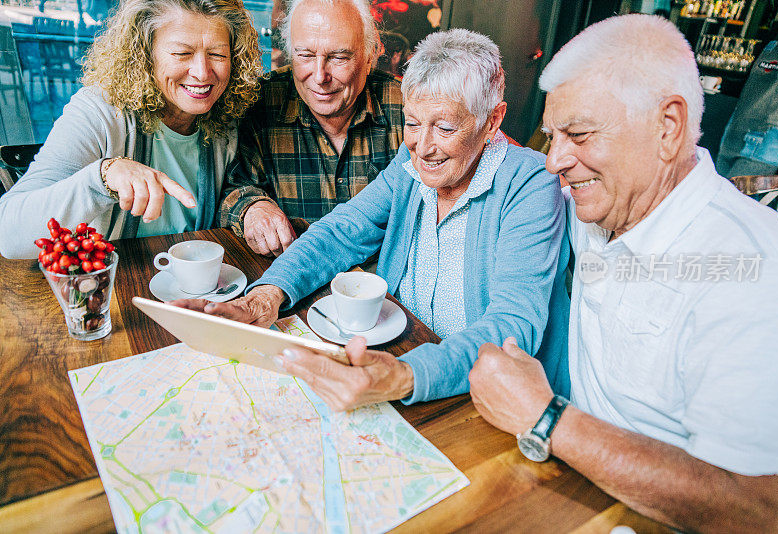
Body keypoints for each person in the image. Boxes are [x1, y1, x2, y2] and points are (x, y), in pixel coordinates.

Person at [469, 14, 778, 533]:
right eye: (553, 136)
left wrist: (546, 417)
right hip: (581, 498)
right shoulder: (604, 203)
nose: (554, 160)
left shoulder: (755, 265)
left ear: (667, 127)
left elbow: (756, 512)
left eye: (578, 134)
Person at [177, 28, 571, 411]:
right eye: (413, 123)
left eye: (446, 127)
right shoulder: (410, 164)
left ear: (492, 120)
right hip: (402, 359)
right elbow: (341, 231)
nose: (424, 147)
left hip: (485, 398)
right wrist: (265, 297)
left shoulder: (532, 183)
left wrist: (404, 375)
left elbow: (513, 325)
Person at [0, 0, 261, 260]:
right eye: (182, 53)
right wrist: (104, 176)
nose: (203, 73)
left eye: (218, 54)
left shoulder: (226, 120)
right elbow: (8, 234)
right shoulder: (99, 113)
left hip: (192, 292)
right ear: (144, 54)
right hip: (110, 292)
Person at [217, 0, 404, 257]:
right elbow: (232, 186)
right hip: (291, 280)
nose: (319, 77)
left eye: (338, 57)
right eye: (304, 55)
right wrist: (253, 208)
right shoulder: (259, 103)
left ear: (370, 54)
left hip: (379, 285)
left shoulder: (406, 107)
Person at [717, 0, 778, 179]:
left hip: (765, 147)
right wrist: (720, 83)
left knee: (731, 205)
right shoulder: (775, 37)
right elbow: (749, 84)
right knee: (711, 201)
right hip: (734, 135)